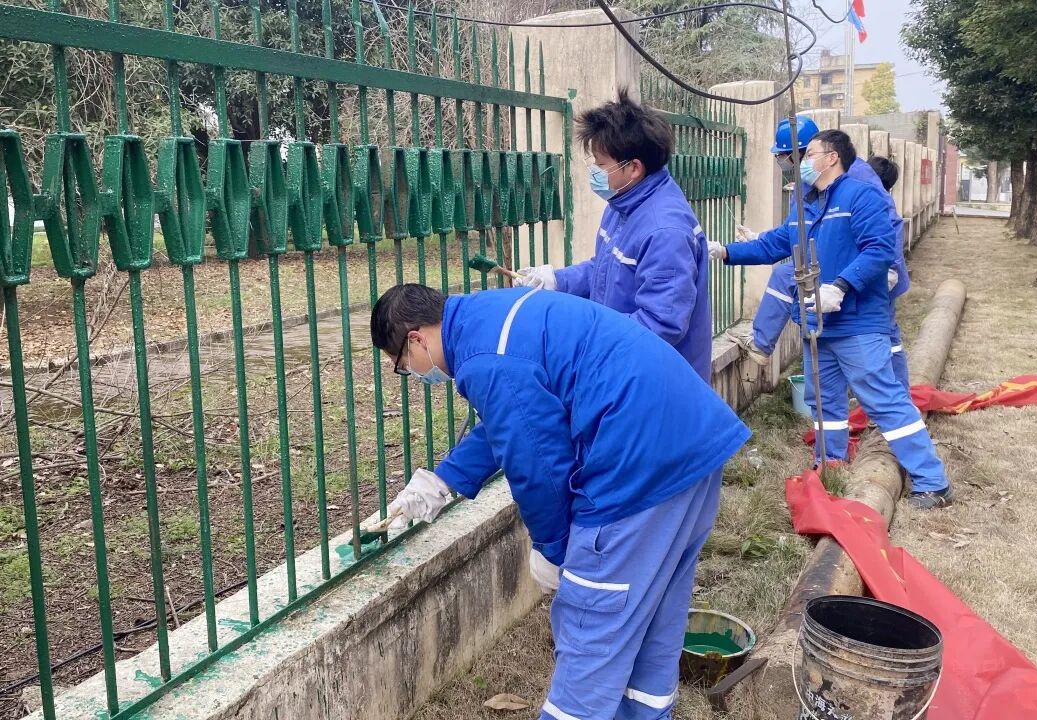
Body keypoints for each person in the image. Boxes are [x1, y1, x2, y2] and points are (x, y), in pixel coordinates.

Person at [371, 283, 750, 719]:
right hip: (693, 445)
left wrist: (552, 547)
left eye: (402, 365)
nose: (413, 372)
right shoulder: (488, 316)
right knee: (655, 612)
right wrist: (441, 481)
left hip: (637, 465)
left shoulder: (484, 358)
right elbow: (516, 417)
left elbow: (536, 461)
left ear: (415, 339)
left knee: (593, 627)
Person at [713, 130, 953, 509]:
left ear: (832, 158)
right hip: (817, 324)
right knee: (823, 401)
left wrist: (840, 286)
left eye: (809, 154)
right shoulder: (806, 203)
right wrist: (726, 252)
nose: (801, 162)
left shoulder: (860, 196)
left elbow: (880, 250)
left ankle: (932, 481)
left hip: (857, 322)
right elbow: (777, 243)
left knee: (883, 399)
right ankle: (830, 462)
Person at [512, 89, 712, 380]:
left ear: (633, 168)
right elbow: (606, 270)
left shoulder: (665, 232)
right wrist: (557, 280)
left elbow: (660, 325)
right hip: (624, 367)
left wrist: (586, 333)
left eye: (601, 163)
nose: (594, 170)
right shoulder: (624, 204)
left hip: (657, 381)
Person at [714, 117, 911, 390]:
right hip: (836, 271)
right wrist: (734, 248)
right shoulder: (810, 182)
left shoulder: (856, 178)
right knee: (828, 383)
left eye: (789, 156)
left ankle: (897, 396)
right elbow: (794, 233)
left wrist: (883, 268)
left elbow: (884, 228)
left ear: (820, 155)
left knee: (883, 342)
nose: (784, 163)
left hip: (870, 269)